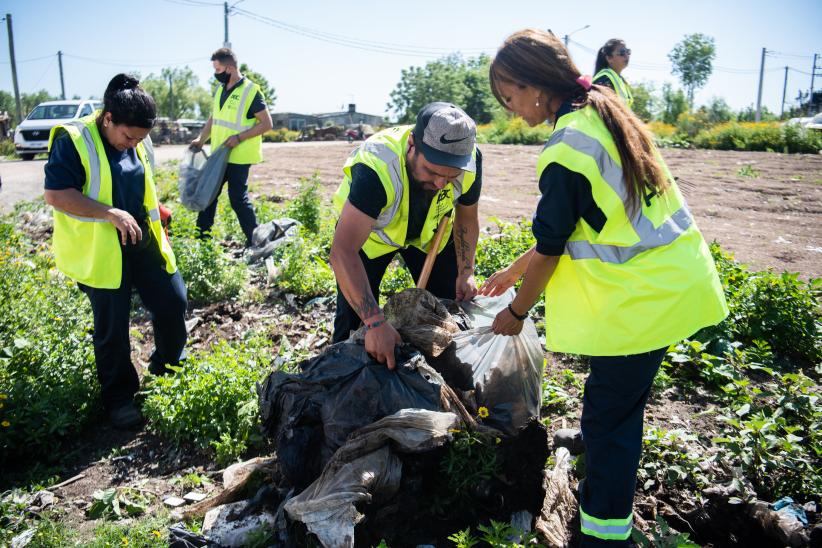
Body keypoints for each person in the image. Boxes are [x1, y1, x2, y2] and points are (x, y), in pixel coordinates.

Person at [481, 29, 728, 546]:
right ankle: (593, 440)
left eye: (511, 97)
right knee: (612, 400)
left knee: (614, 421)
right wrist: (512, 270)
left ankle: (602, 534)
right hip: (667, 282)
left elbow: (552, 248)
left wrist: (517, 311)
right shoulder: (598, 112)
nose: (512, 110)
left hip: (645, 298)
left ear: (536, 87)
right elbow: (571, 226)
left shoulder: (568, 147)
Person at [44, 74, 188, 429]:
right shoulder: (74, 139)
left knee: (173, 300)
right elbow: (56, 194)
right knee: (112, 325)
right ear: (108, 118)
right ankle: (119, 398)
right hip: (102, 247)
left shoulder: (136, 138)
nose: (133, 144)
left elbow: (138, 181)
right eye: (128, 136)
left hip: (141, 237)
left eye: (139, 138)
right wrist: (108, 212)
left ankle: (165, 371)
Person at [329, 102, 483, 369]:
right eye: (432, 171)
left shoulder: (471, 162)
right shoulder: (377, 167)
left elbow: (467, 218)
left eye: (451, 175)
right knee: (353, 319)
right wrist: (375, 322)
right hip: (371, 238)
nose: (440, 183)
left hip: (429, 235)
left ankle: (439, 376)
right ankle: (342, 375)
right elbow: (342, 251)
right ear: (412, 144)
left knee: (444, 310)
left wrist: (466, 271)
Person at [190, 48, 273, 246]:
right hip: (219, 153)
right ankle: (202, 242)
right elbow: (214, 117)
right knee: (207, 194)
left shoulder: (251, 91)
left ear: (229, 67)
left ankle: (257, 243)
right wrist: (201, 139)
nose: (215, 73)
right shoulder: (220, 89)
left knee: (237, 199)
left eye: (217, 69)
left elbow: (267, 124)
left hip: (239, 155)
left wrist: (239, 137)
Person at [593, 38, 634, 107]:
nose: (626, 55)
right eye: (622, 52)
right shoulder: (604, 79)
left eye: (628, 51)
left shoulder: (620, 80)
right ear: (609, 58)